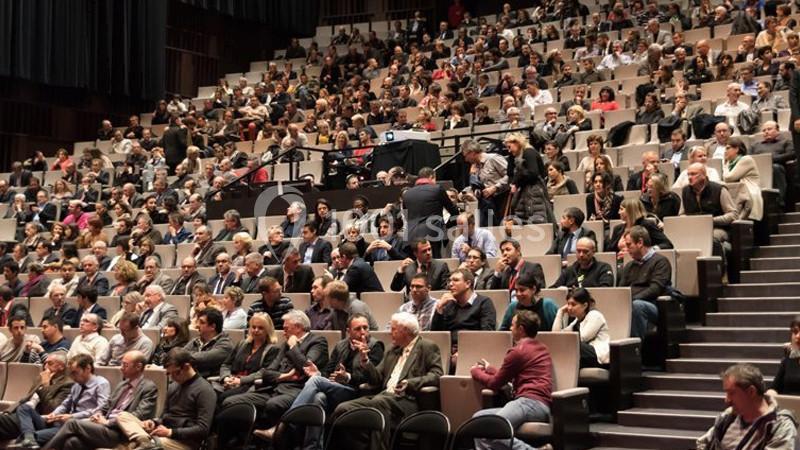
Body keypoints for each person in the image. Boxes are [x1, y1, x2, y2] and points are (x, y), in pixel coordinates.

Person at [329, 312, 442, 450]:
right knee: (343, 409)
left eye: (393, 329)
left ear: (405, 330)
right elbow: (376, 378)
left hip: (408, 400)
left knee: (379, 403)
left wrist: (410, 382)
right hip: (384, 397)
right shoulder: (391, 349)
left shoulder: (427, 346)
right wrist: (365, 360)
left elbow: (436, 375)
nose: (390, 333)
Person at [214, 310, 329, 445]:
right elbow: (268, 372)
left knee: (273, 405)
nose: (283, 331)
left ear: (298, 327)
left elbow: (306, 368)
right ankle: (233, 443)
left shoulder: (317, 341)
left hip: (297, 390)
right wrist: (284, 376)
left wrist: (293, 347)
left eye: (286, 328)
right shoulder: (284, 344)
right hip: (272, 388)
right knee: (230, 401)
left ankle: (275, 441)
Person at [287, 313, 385, 449]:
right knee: (318, 398)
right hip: (337, 388)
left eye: (365, 328)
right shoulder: (341, 345)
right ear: (348, 331)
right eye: (357, 329)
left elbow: (373, 378)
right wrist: (319, 373)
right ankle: (312, 447)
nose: (362, 332)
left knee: (315, 381)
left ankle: (289, 421)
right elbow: (329, 371)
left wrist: (347, 377)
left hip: (358, 392)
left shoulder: (375, 346)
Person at [470, 310, 552, 450]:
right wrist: (491, 369)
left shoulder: (517, 351)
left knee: (491, 430)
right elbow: (515, 374)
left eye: (512, 325)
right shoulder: (541, 348)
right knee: (478, 420)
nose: (510, 328)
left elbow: (494, 383)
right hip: (539, 407)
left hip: (529, 403)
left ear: (521, 329)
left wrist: (475, 372)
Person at [43, 350, 159, 450]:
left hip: (121, 432)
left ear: (138, 366)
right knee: (73, 442)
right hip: (104, 426)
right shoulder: (122, 385)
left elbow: (138, 415)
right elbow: (106, 406)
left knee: (72, 423)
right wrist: (98, 415)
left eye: (125, 365)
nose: (121, 368)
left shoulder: (148, 388)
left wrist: (108, 422)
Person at [13, 353, 111, 447]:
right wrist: (54, 414)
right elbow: (65, 405)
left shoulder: (101, 384)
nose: (72, 377)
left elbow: (100, 410)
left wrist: (72, 416)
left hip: (74, 426)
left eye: (75, 373)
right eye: (71, 373)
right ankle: (29, 437)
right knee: (24, 408)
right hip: (59, 422)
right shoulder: (76, 385)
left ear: (87, 369)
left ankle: (29, 438)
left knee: (22, 439)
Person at [697, 364, 798, 449]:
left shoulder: (780, 426)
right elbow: (702, 444)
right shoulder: (728, 416)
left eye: (731, 393)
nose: (727, 400)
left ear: (751, 391)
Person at [0, 352, 73, 443]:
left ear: (61, 367)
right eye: (45, 363)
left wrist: (46, 386)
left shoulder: (68, 384)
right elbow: (25, 399)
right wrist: (7, 411)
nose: (45, 367)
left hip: (36, 419)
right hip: (21, 413)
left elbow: (52, 410)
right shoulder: (40, 378)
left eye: (50, 363)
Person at [432, 269, 496, 363]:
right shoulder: (449, 305)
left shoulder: (484, 303)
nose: (450, 284)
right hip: (448, 350)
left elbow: (486, 334)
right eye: (449, 281)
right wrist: (439, 308)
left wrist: (464, 351)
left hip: (473, 350)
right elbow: (437, 335)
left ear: (468, 284)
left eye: (456, 280)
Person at [215, 313, 280, 403]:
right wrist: (226, 377)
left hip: (250, 385)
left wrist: (240, 380)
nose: (256, 330)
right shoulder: (242, 344)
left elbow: (263, 373)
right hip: (230, 381)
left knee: (223, 398)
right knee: (209, 393)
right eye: (253, 327)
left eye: (260, 328)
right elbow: (226, 364)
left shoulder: (273, 349)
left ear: (268, 330)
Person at [620, 226, 672, 339]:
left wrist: (631, 300)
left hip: (653, 305)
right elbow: (621, 289)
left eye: (629, 245)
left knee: (637, 306)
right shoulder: (629, 265)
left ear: (640, 243)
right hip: (630, 302)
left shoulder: (660, 262)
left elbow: (655, 289)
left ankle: (634, 348)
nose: (627, 249)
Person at [681, 163, 740, 261]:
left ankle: (718, 272)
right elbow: (681, 214)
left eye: (693, 174)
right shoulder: (685, 191)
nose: (690, 177)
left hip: (718, 228)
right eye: (688, 174)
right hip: (694, 229)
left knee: (710, 239)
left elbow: (733, 214)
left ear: (704, 175)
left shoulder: (719, 189)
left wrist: (710, 220)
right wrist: (687, 220)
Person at [402, 167, 459, 258]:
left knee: (415, 267)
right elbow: (453, 210)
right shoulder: (437, 189)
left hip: (411, 235)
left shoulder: (407, 194)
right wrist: (447, 225)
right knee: (434, 266)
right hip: (432, 233)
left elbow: (406, 215)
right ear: (432, 177)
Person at [553, 288, 610, 368]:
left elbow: (582, 338)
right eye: (568, 304)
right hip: (583, 355)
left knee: (571, 344)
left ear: (585, 305)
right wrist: (560, 312)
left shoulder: (595, 315)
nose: (569, 308)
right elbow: (556, 336)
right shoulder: (576, 321)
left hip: (598, 356)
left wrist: (562, 341)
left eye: (573, 304)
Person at [460, 139, 509, 227]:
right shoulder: (476, 167)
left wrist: (495, 187)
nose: (466, 159)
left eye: (466, 156)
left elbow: (511, 175)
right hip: (487, 204)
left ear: (472, 152)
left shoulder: (493, 158)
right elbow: (480, 186)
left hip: (501, 200)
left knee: (499, 230)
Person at [506, 132, 552, 223]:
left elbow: (533, 173)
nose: (509, 151)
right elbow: (511, 172)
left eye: (509, 147)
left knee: (535, 218)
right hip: (527, 192)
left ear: (517, 143)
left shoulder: (528, 152)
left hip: (534, 192)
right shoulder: (520, 155)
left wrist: (517, 181)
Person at [606, 198, 673, 253]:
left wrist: (649, 251)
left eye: (621, 209)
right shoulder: (617, 228)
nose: (618, 212)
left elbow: (667, 244)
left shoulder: (647, 225)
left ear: (630, 210)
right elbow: (610, 251)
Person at [183, 308, 234, 379]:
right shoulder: (197, 340)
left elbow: (203, 358)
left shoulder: (225, 345)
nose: (197, 325)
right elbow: (181, 353)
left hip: (210, 383)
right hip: (192, 379)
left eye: (202, 322)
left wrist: (183, 357)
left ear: (213, 326)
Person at [723, 138, 764, 221]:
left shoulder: (746, 159)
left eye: (728, 148)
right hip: (737, 193)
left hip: (749, 193)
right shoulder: (732, 163)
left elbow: (728, 178)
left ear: (736, 149)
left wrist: (725, 164)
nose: (725, 151)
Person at [770, 316, 800, 395]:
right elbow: (774, 388)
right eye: (795, 332)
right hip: (787, 407)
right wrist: (770, 394)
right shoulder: (788, 358)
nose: (797, 336)